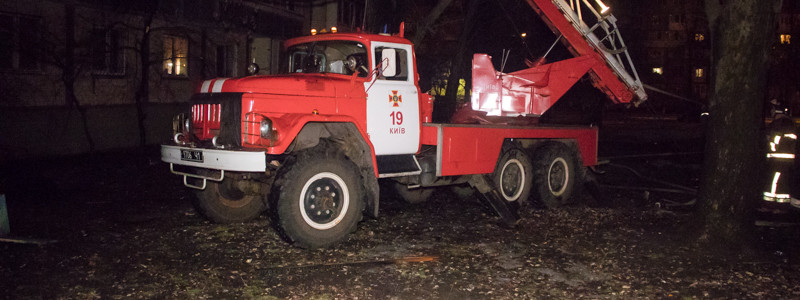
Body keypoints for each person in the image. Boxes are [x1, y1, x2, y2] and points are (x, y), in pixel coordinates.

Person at [762, 99, 798, 205]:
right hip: (781, 159)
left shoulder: (780, 124)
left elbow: (774, 140)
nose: (771, 111)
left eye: (772, 109)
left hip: (779, 159)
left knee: (775, 182)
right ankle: (778, 205)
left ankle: (774, 205)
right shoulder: (787, 123)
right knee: (780, 181)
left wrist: (770, 146)